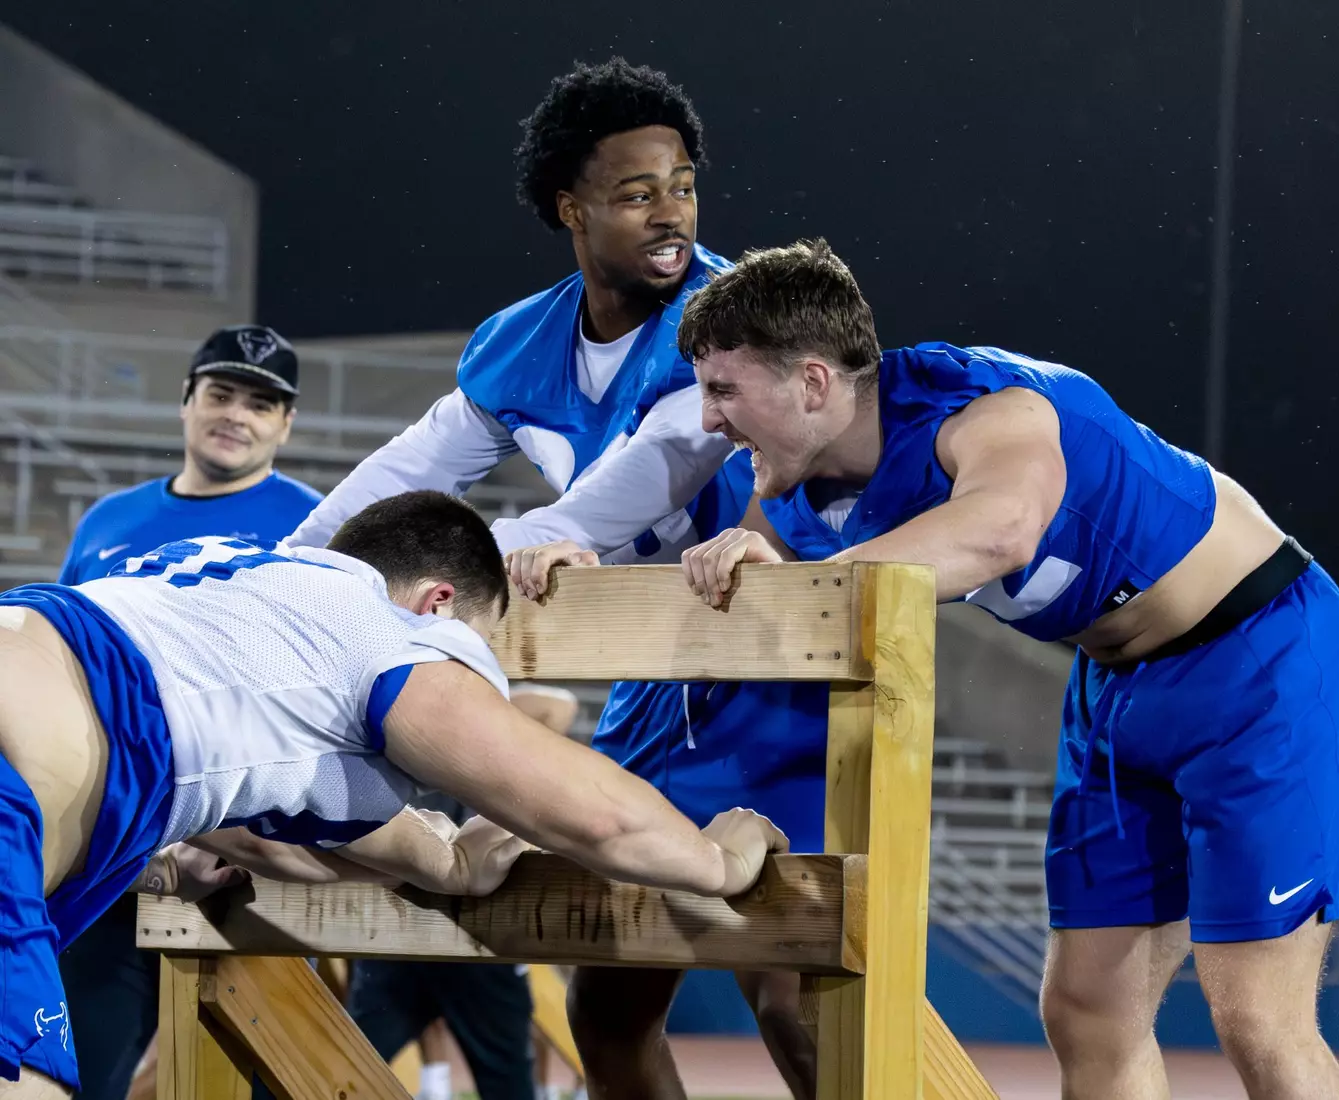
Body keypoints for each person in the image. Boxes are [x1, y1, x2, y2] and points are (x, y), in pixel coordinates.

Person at [656, 239, 1339, 1100]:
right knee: (1087, 1012)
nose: (709, 420)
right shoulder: (794, 491)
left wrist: (808, 586)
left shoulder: (988, 406)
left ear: (813, 383)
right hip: (1111, 691)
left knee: (1257, 1015)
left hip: (1256, 655)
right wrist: (566, 548)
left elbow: (1000, 531)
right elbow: (752, 597)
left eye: (723, 390)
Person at [286, 59, 820, 1098]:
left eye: (683, 186)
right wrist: (294, 567)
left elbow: (671, 454)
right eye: (636, 192)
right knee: (605, 1010)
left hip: (774, 669)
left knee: (792, 988)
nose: (671, 213)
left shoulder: (730, 312)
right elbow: (409, 468)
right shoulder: (522, 343)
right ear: (571, 208)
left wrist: (549, 529)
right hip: (652, 681)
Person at [0, 490, 786, 1100]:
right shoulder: (382, 628)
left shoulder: (240, 602)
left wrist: (446, 863)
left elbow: (273, 826)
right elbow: (598, 817)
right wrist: (717, 859)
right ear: (438, 604)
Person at [52, 324, 323, 1100]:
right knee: (75, 1076)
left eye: (260, 404)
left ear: (285, 425)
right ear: (186, 401)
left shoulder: (315, 526)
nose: (236, 415)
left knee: (273, 1080)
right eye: (221, 393)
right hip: (114, 845)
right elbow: (62, 668)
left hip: (251, 851)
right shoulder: (108, 522)